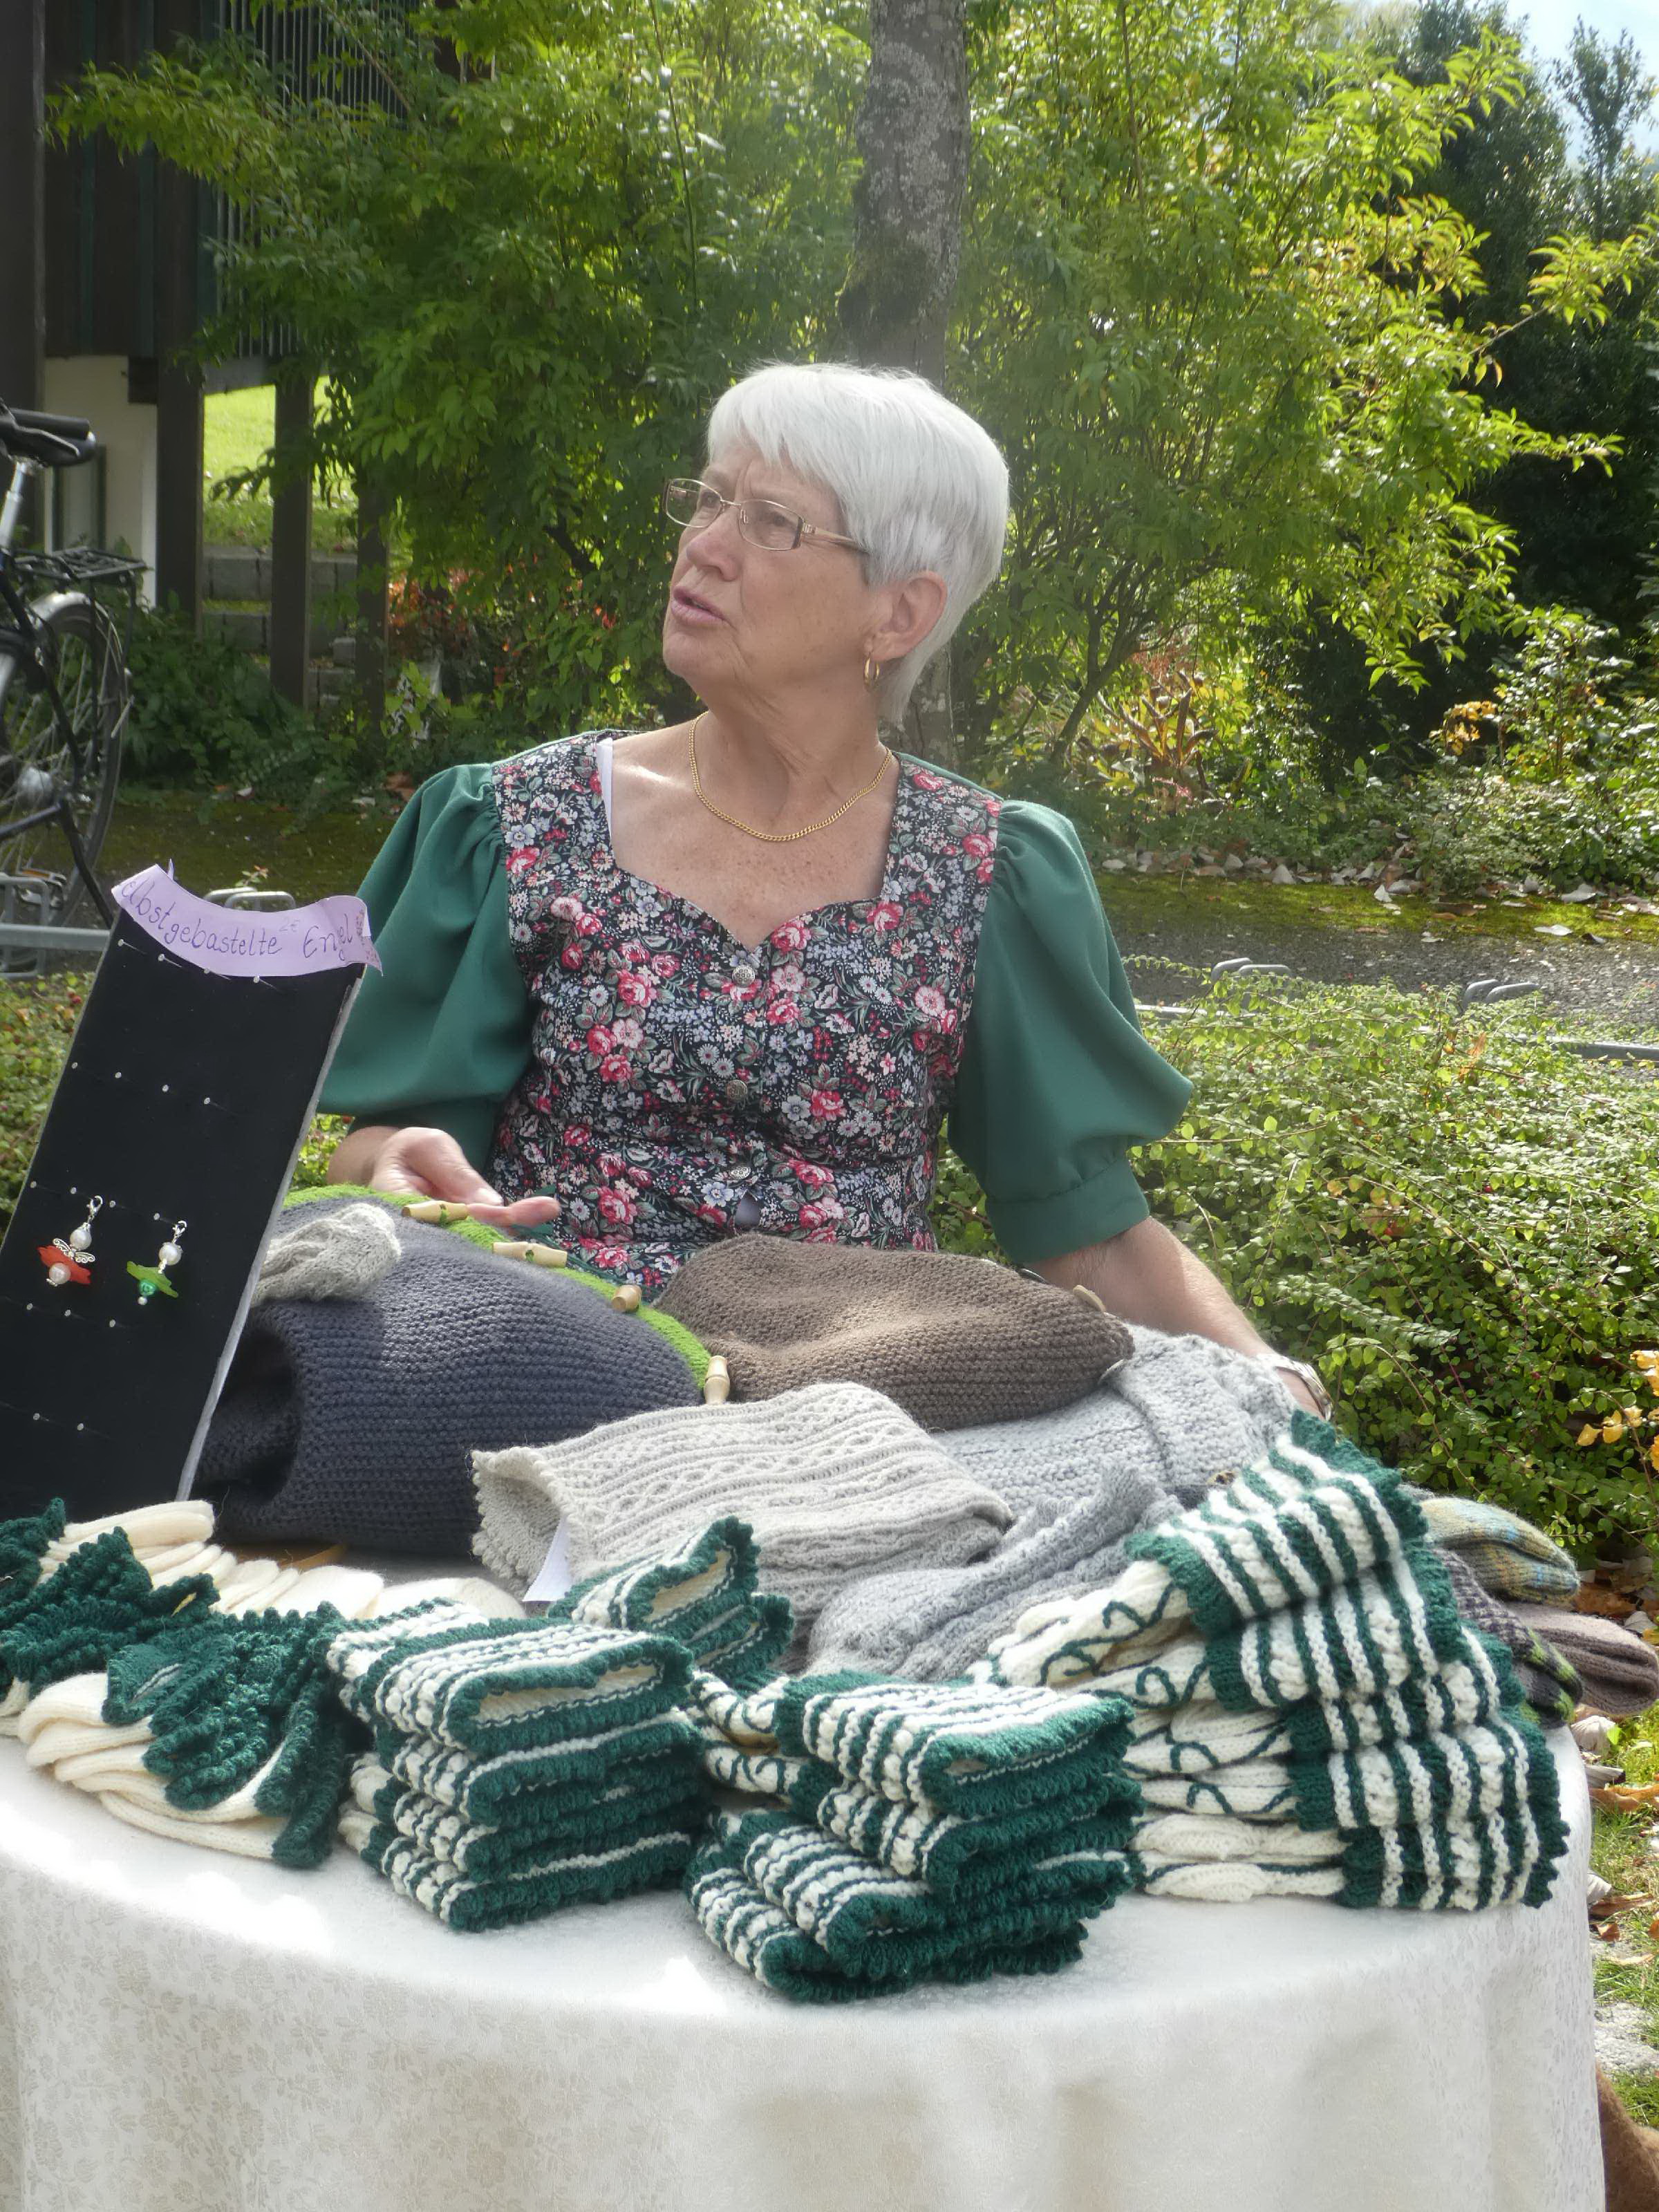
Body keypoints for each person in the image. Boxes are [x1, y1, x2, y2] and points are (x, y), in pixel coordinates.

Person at [322, 361, 1330, 1418]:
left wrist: (1272, 1380)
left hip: (857, 1410)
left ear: (898, 613)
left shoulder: (985, 871)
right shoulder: (514, 827)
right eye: (708, 499)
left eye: (772, 523)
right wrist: (387, 1161)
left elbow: (1090, 1233)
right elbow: (390, 1147)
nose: (704, 546)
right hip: (548, 1379)